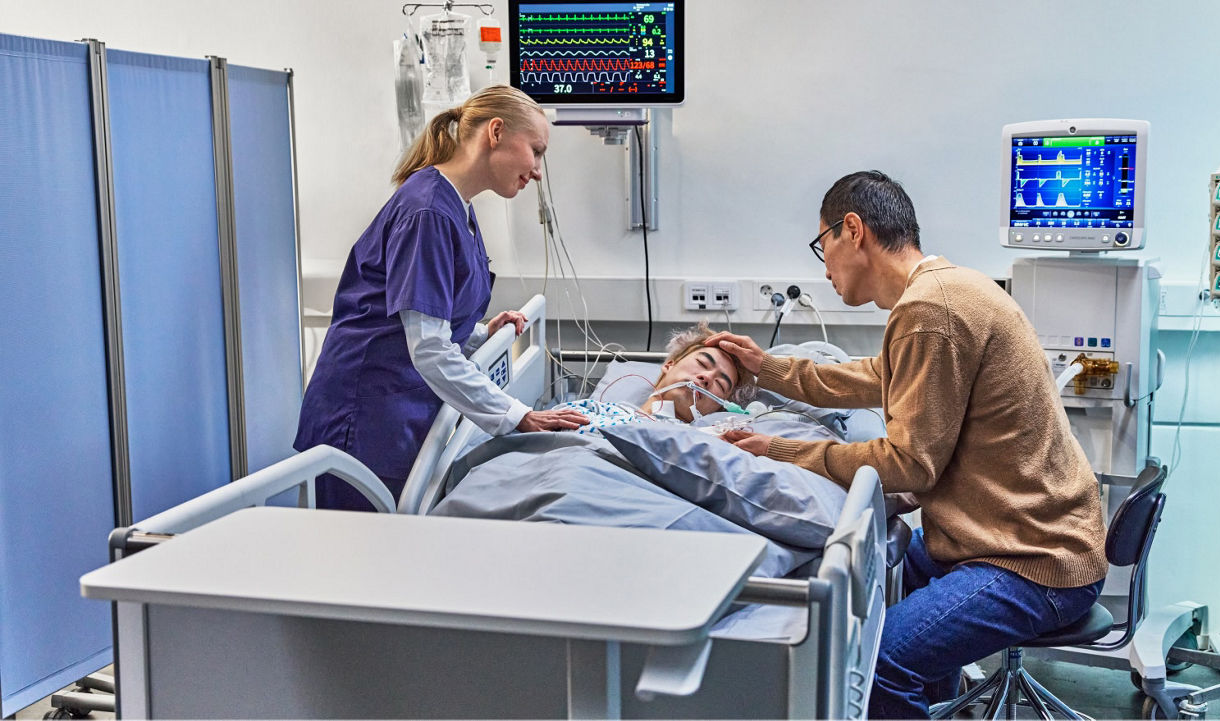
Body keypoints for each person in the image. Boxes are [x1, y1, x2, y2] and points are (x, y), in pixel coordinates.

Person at [705, 171, 1107, 719]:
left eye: (822, 244)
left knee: (884, 660)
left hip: (1030, 560)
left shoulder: (930, 312)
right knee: (879, 567)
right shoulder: (948, 286)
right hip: (1008, 535)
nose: (823, 266)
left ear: (853, 230)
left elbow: (908, 465)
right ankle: (939, 702)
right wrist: (768, 369)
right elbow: (874, 376)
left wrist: (778, 450)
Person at [295, 86, 588, 512]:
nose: (538, 171)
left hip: (399, 408)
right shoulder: (428, 211)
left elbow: (423, 319)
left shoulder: (457, 207)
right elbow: (429, 346)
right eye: (536, 150)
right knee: (355, 564)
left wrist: (482, 332)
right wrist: (517, 415)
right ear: (496, 132)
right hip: (362, 421)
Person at [560, 322, 756, 434]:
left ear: (719, 407)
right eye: (703, 363)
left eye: (721, 384)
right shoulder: (595, 410)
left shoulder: (700, 440)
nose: (706, 377)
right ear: (670, 365)